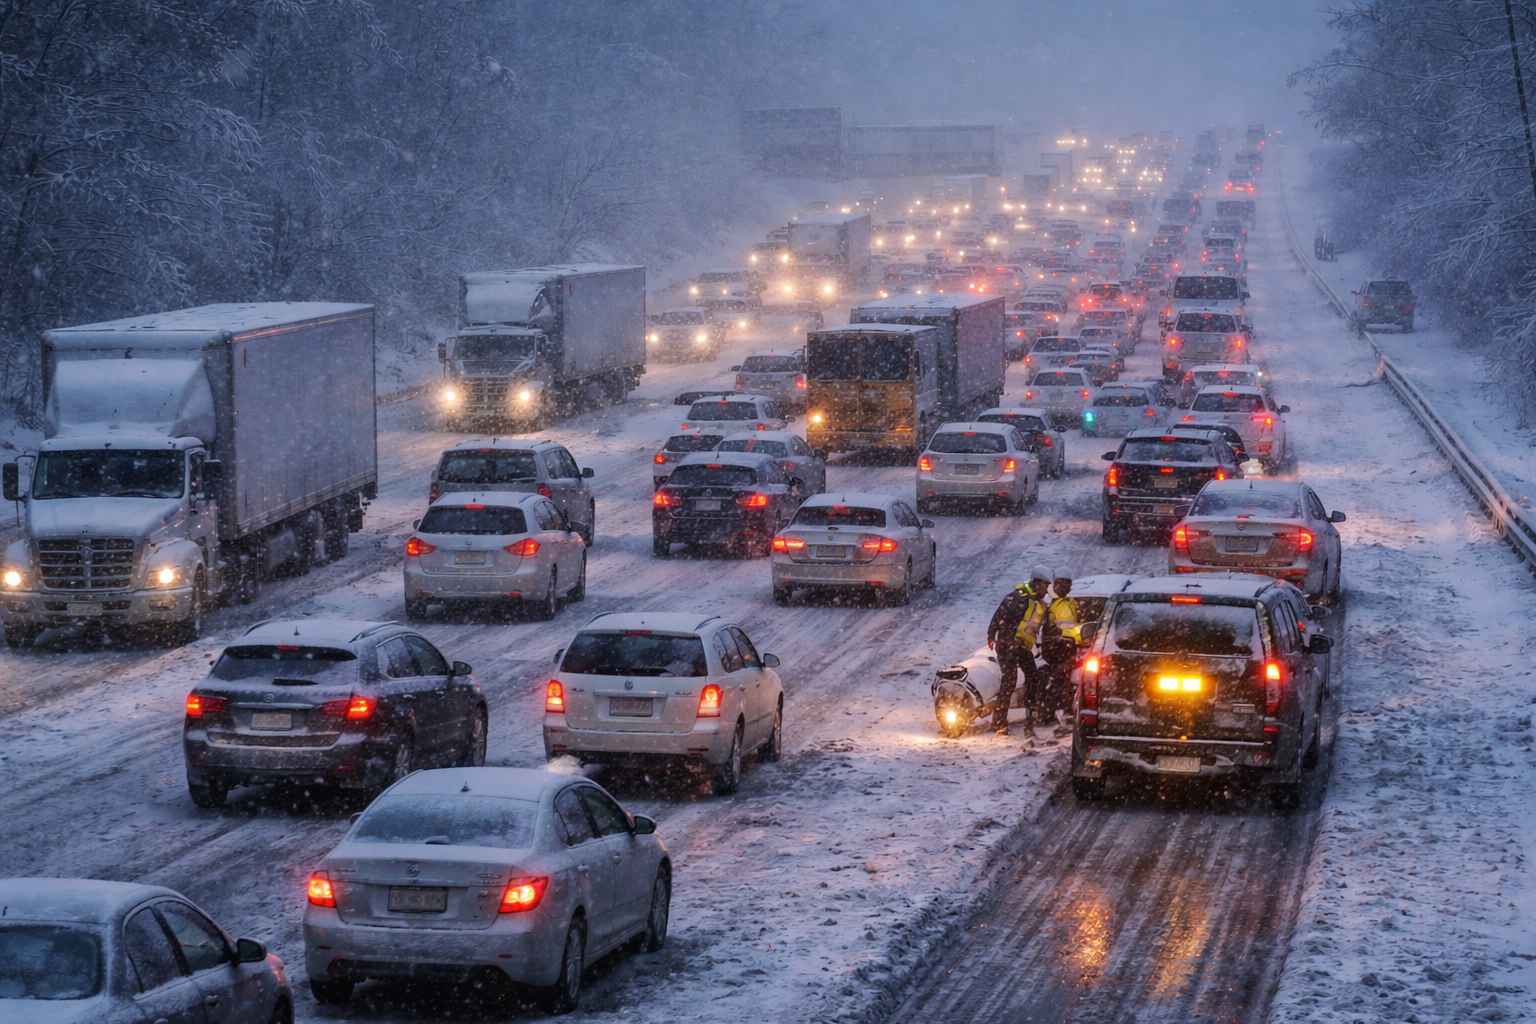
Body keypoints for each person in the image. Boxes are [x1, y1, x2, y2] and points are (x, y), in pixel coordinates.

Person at [986, 568, 1051, 733]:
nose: (1046, 590)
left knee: (1033, 676)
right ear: (1036, 583)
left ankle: (1031, 712)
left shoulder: (1039, 603)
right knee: (1009, 679)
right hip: (1008, 645)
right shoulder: (1017, 598)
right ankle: (999, 722)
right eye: (1045, 586)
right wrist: (994, 635)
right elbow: (1000, 616)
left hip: (1021, 646)